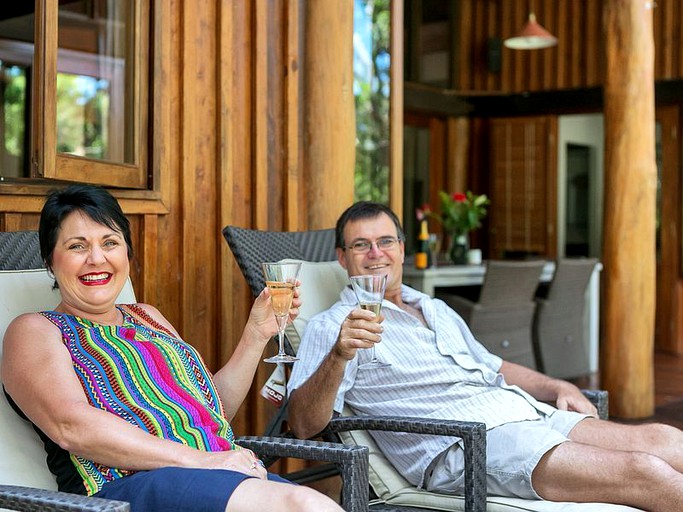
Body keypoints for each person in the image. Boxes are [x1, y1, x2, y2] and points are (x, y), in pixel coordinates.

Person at [286, 200, 683, 511]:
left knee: (663, 440)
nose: (375, 254)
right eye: (361, 245)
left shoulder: (433, 307)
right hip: (467, 444)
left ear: (402, 248)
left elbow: (491, 365)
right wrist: (339, 355)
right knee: (641, 471)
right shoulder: (335, 326)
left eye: (385, 241)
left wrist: (557, 384)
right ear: (342, 258)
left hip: (525, 413)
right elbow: (303, 425)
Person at [1, 184, 342, 512]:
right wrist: (206, 461)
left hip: (213, 476)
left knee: (317, 505)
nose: (96, 258)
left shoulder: (147, 317)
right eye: (77, 246)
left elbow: (212, 410)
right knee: (304, 505)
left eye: (110, 242)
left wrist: (256, 333)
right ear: (50, 261)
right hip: (125, 492)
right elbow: (72, 426)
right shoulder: (36, 330)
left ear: (127, 254)